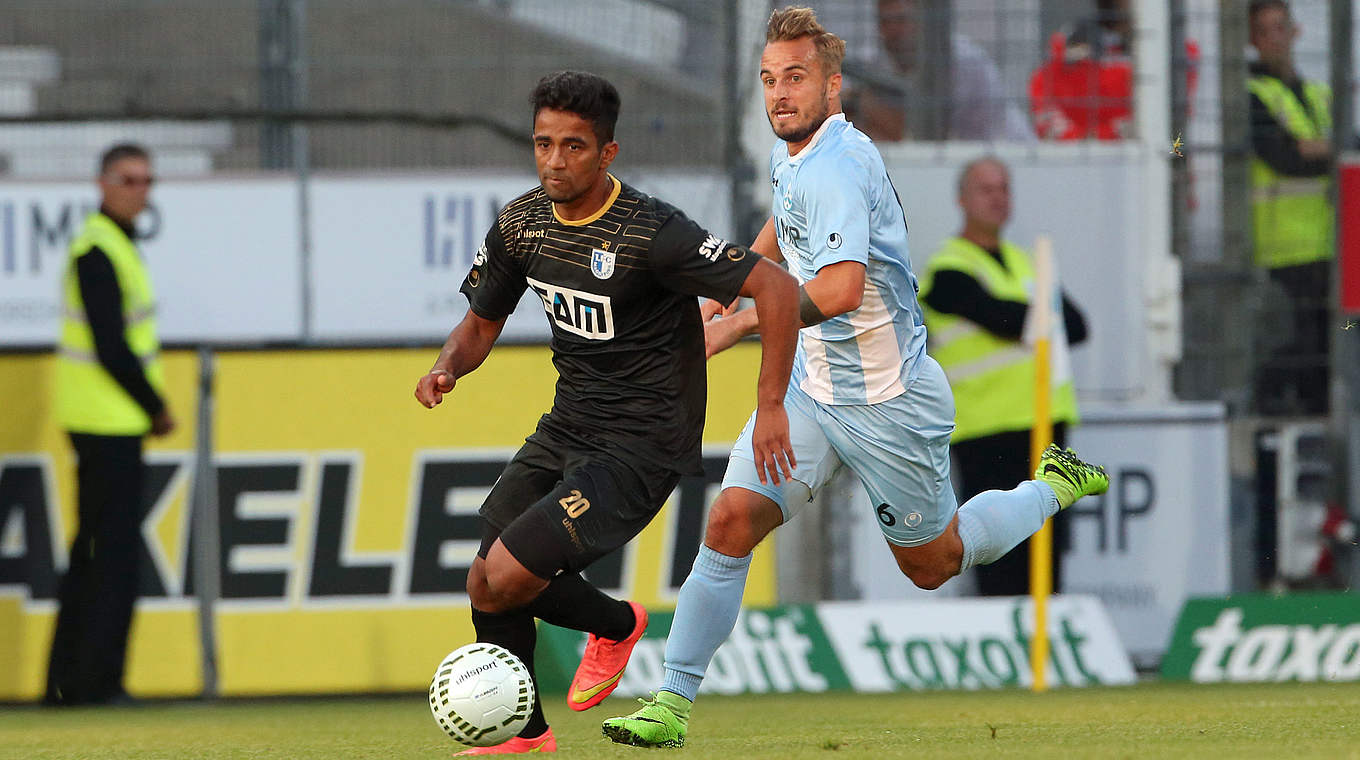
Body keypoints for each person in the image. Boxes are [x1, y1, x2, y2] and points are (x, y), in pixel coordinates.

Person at [602, 8, 1108, 748]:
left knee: (934, 563)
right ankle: (671, 703)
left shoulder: (838, 166)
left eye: (796, 79)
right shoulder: (802, 149)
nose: (778, 93)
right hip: (816, 389)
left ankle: (1051, 484)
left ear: (832, 87)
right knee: (730, 520)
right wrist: (732, 281)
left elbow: (839, 291)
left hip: (890, 405)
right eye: (770, 79)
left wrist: (746, 321)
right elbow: (785, 216)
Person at [413, 70, 799, 755]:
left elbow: (772, 287)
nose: (555, 161)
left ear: (607, 153)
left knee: (506, 574)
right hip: (568, 426)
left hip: (641, 444)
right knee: (484, 582)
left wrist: (770, 405)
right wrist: (447, 367)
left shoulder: (652, 233)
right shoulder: (523, 224)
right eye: (544, 144)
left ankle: (617, 625)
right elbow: (478, 324)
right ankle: (522, 736)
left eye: (574, 147)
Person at [919, 156, 1089, 597]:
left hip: (1044, 421)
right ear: (962, 199)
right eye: (986, 189)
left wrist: (1034, 319)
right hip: (987, 429)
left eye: (1004, 188)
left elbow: (1079, 325)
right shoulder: (948, 268)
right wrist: (1039, 317)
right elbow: (999, 317)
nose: (997, 198)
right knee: (997, 547)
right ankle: (1007, 643)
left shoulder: (1024, 261)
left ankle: (1045, 644)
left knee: (1049, 543)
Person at [46, 143, 175, 706]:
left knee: (94, 553)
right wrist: (154, 405)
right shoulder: (99, 249)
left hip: (103, 418)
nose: (139, 191)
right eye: (129, 179)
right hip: (107, 421)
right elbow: (111, 345)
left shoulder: (112, 244)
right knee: (112, 558)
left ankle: (70, 681)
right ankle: (95, 683)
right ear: (102, 183)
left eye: (147, 181)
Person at [1247, 0, 1333, 416]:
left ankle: (1316, 413)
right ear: (1252, 40)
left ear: (1295, 32)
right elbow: (1287, 156)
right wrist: (1322, 150)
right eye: (1265, 31)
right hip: (1283, 247)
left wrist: (1317, 148)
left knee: (1325, 339)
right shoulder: (1252, 95)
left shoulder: (1318, 93)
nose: (1275, 39)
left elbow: (1341, 146)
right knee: (1300, 341)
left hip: (1327, 241)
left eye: (1281, 28)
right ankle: (1270, 403)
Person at [846, 0, 1033, 142]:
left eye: (901, 19)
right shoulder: (873, 63)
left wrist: (873, 110)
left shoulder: (967, 63)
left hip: (1002, 150)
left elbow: (942, 137)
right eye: (886, 21)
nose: (894, 30)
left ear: (922, 21)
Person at [1029, 0, 1200, 141]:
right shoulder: (1071, 43)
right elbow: (1048, 124)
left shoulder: (1178, 49)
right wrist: (1099, 136)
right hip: (1084, 167)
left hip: (1161, 167)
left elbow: (1171, 126)